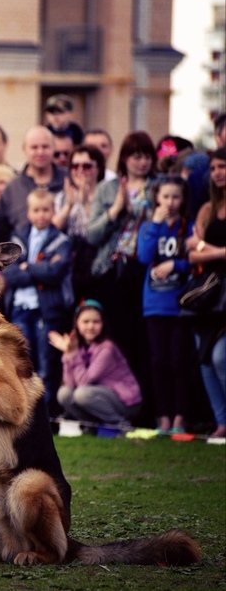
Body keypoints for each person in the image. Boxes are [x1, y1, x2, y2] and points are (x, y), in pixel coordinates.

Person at [86, 131, 156, 424]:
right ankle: (119, 411)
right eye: (135, 155)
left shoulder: (158, 187)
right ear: (125, 158)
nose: (141, 162)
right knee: (118, 341)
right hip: (112, 272)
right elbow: (92, 235)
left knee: (146, 342)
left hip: (147, 272)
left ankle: (149, 412)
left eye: (146, 156)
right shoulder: (108, 188)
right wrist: (116, 209)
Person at [2, 188, 72, 413]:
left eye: (46, 210)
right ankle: (25, 416)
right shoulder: (18, 237)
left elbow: (55, 272)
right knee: (22, 363)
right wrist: (37, 270)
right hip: (20, 309)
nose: (41, 215)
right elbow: (10, 274)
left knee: (46, 363)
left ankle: (47, 416)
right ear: (29, 212)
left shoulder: (61, 240)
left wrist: (28, 266)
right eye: (36, 210)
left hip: (47, 311)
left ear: (53, 211)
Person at [136, 176, 193, 434]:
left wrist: (175, 264)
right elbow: (144, 256)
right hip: (155, 305)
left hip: (180, 305)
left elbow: (194, 260)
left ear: (183, 200)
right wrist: (157, 223)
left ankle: (181, 418)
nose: (170, 202)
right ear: (157, 197)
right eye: (166, 196)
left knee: (179, 361)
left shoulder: (188, 227)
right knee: (158, 362)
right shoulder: (150, 226)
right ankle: (163, 418)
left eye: (176, 197)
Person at [185, 147, 226, 439]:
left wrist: (205, 249)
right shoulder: (206, 209)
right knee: (205, 359)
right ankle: (220, 421)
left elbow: (198, 247)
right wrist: (219, 252)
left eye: (223, 167)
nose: (218, 173)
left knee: (222, 356)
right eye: (213, 168)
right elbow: (191, 251)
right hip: (208, 292)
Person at [50, 299, 141, 426]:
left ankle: (121, 425)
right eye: (86, 322)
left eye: (96, 321)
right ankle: (91, 425)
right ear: (77, 323)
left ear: (103, 323)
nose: (91, 326)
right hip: (96, 395)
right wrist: (68, 353)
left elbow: (84, 382)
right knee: (64, 393)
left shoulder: (107, 348)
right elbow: (70, 383)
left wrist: (72, 354)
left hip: (125, 402)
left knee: (82, 394)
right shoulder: (79, 347)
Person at [0, 125, 67, 243]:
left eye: (45, 147)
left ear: (54, 148)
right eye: (34, 147)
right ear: (24, 149)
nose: (40, 152)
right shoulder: (12, 189)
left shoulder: (69, 181)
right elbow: (2, 234)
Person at [53, 145, 105, 304]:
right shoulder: (63, 195)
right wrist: (69, 205)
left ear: (98, 168)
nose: (80, 170)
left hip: (99, 261)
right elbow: (53, 228)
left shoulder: (105, 194)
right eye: (75, 166)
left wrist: (86, 201)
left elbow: (97, 230)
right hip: (71, 263)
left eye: (87, 166)